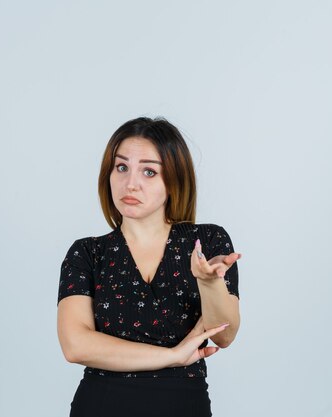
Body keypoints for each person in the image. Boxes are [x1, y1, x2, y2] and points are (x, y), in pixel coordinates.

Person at [56, 116, 241, 417]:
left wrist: (208, 282)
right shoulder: (88, 253)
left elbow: (224, 335)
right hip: (101, 406)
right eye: (122, 167)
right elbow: (75, 345)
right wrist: (172, 356)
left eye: (149, 172)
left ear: (175, 180)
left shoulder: (207, 241)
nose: (131, 183)